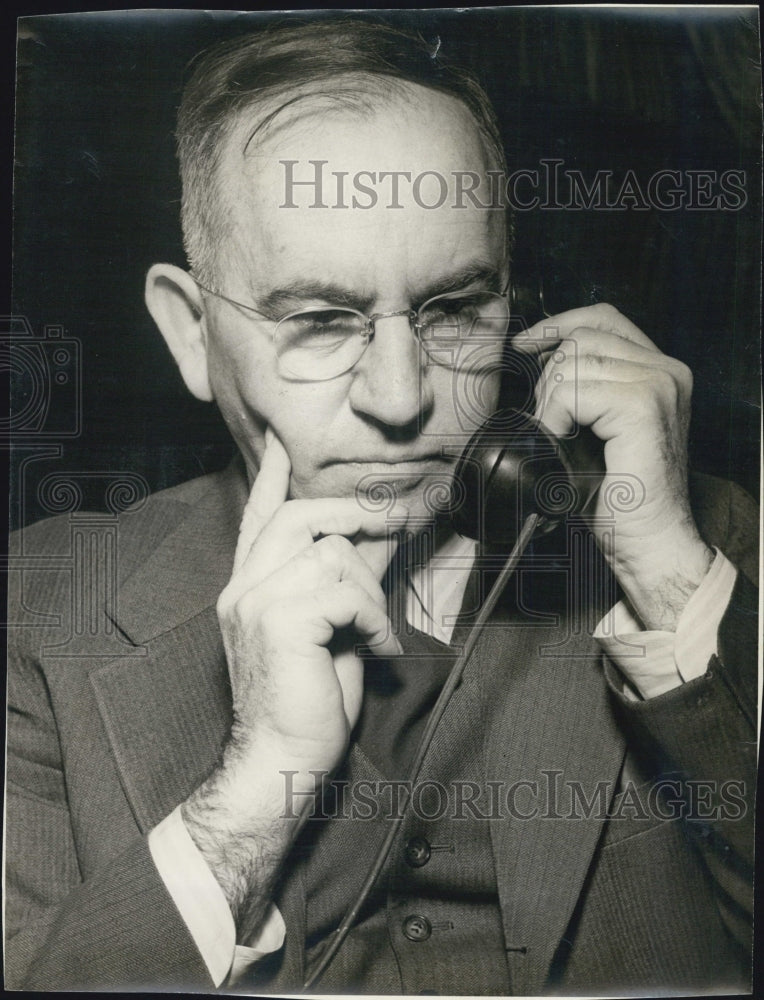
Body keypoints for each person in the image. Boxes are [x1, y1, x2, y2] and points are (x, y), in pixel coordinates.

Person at [5, 17, 757, 996]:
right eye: (319, 320)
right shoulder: (39, 612)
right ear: (189, 333)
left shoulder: (702, 552)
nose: (399, 399)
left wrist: (665, 571)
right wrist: (248, 796)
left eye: (452, 309)